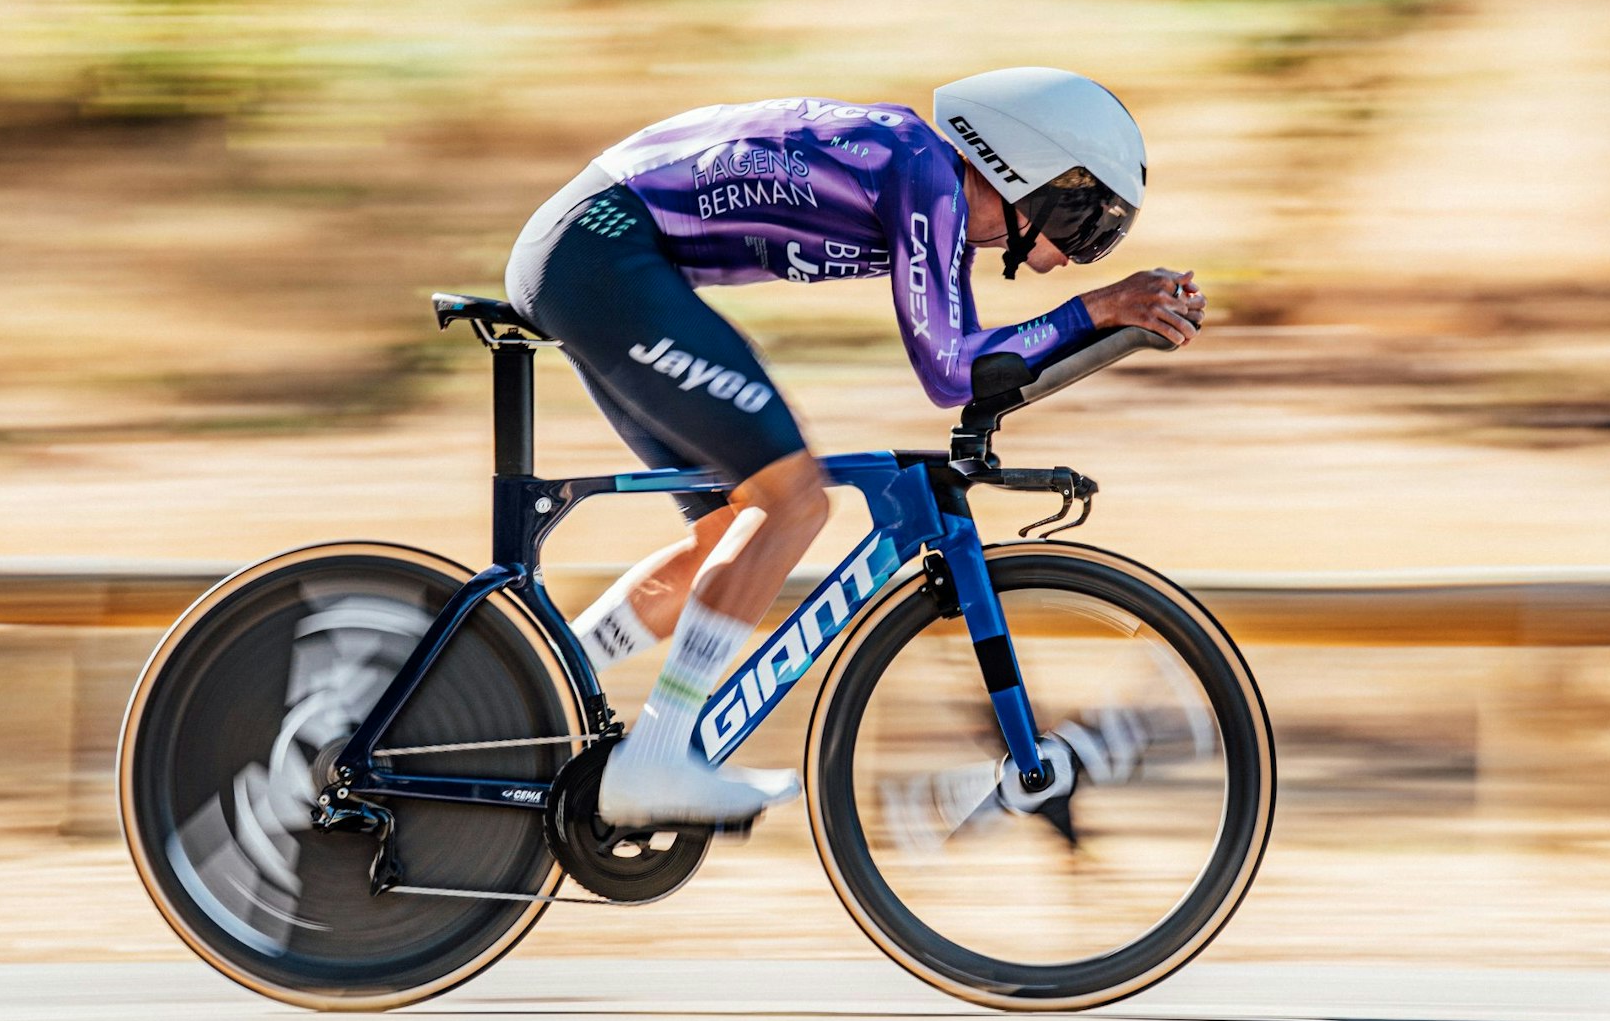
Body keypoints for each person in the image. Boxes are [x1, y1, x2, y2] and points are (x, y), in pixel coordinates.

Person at [504, 66, 1205, 828]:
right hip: (600, 251)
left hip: (593, 254)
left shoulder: (923, 180)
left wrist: (1098, 320)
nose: (1078, 249)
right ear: (1024, 172)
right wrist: (1096, 309)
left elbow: (966, 358)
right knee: (792, 501)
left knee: (727, 537)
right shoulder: (923, 174)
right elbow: (949, 371)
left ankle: (520, 690)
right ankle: (657, 756)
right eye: (1082, 222)